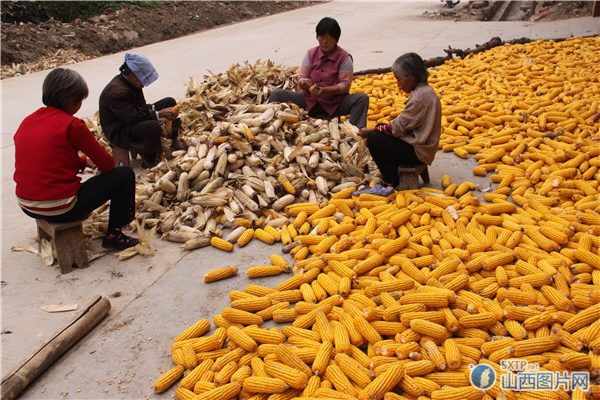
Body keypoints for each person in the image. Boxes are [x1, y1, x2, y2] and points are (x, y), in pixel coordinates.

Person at [14, 68, 139, 250]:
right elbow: (108, 165)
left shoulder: (27, 121)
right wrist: (96, 161)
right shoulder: (72, 125)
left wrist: (83, 162)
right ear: (71, 101)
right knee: (124, 175)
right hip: (60, 206)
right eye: (80, 100)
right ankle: (115, 235)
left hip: (27, 205)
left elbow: (45, 158)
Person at [358, 53, 442, 187]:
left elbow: (398, 127)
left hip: (419, 151)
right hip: (423, 145)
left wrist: (371, 131)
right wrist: (378, 128)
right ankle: (394, 170)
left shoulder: (420, 97)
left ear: (411, 77)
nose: (398, 84)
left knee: (374, 138)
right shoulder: (426, 90)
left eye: (399, 79)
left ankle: (392, 179)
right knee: (380, 128)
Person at [268, 17, 369, 128]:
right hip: (309, 101)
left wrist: (324, 90)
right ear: (317, 37)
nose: (324, 42)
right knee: (277, 94)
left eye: (329, 38)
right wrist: (303, 82)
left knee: (362, 98)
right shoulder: (311, 54)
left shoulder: (344, 58)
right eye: (321, 37)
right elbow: (301, 77)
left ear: (336, 39)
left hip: (335, 103)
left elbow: (345, 85)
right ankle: (271, 128)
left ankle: (354, 134)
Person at [99, 53, 182, 169]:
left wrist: (154, 110)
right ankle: (149, 161)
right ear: (133, 74)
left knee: (169, 102)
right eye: (142, 80)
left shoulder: (131, 83)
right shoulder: (118, 92)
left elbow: (140, 107)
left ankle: (173, 140)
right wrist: (159, 114)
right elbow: (133, 118)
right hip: (121, 128)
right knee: (152, 126)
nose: (144, 84)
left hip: (133, 115)